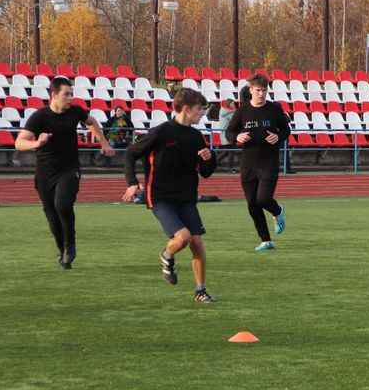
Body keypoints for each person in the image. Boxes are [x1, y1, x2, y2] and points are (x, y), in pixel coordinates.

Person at [122, 88, 219, 302]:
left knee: (196, 242)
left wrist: (210, 157)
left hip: (186, 197)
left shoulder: (196, 136)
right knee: (183, 237)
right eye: (199, 109)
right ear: (186, 109)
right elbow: (130, 153)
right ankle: (167, 255)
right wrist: (132, 182)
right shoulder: (161, 132)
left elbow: (205, 172)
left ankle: (200, 291)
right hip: (160, 197)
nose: (202, 113)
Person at [15, 76, 115, 269]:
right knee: (51, 215)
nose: (71, 98)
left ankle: (70, 245)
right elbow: (19, 142)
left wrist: (103, 142)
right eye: (66, 94)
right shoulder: (40, 117)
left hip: (68, 169)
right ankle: (62, 250)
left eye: (72, 94)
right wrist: (37, 142)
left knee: (62, 204)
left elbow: (92, 122)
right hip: (44, 173)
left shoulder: (75, 112)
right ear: (54, 95)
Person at [225, 73, 291, 251]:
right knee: (252, 204)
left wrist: (278, 136)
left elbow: (286, 129)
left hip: (268, 162)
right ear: (250, 90)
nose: (261, 94)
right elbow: (229, 132)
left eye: (264, 90)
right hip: (248, 163)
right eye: (258, 90)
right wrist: (237, 136)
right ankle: (266, 240)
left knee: (263, 199)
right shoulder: (242, 111)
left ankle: (277, 211)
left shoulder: (274, 109)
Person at [217, 98, 238, 172]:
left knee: (227, 151)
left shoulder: (222, 111)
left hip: (224, 134)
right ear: (228, 104)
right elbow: (236, 122)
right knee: (231, 151)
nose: (234, 105)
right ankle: (230, 169)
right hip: (229, 134)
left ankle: (213, 163)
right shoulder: (230, 113)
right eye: (232, 104)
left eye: (234, 104)